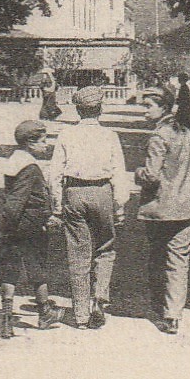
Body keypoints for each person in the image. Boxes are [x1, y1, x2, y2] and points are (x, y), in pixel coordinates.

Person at [47, 85, 130, 328]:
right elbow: (119, 172)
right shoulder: (110, 136)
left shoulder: (66, 135)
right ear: (100, 109)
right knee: (106, 247)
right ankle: (100, 299)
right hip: (102, 191)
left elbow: (54, 173)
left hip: (74, 192)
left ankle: (81, 315)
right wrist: (120, 204)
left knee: (77, 253)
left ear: (77, 110)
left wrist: (57, 204)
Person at [136, 89, 190, 335]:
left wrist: (137, 173)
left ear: (162, 108)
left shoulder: (159, 136)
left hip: (161, 209)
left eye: (148, 106)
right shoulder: (186, 133)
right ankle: (173, 314)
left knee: (157, 257)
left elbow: (151, 176)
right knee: (179, 261)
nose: (145, 111)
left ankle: (159, 306)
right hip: (187, 206)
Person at [0, 119, 64, 338]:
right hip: (29, 226)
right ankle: (44, 312)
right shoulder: (30, 168)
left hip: (14, 225)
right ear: (30, 142)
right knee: (37, 267)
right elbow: (18, 201)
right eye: (43, 140)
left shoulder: (14, 163)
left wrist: (5, 229)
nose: (47, 145)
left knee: (9, 268)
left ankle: (7, 320)